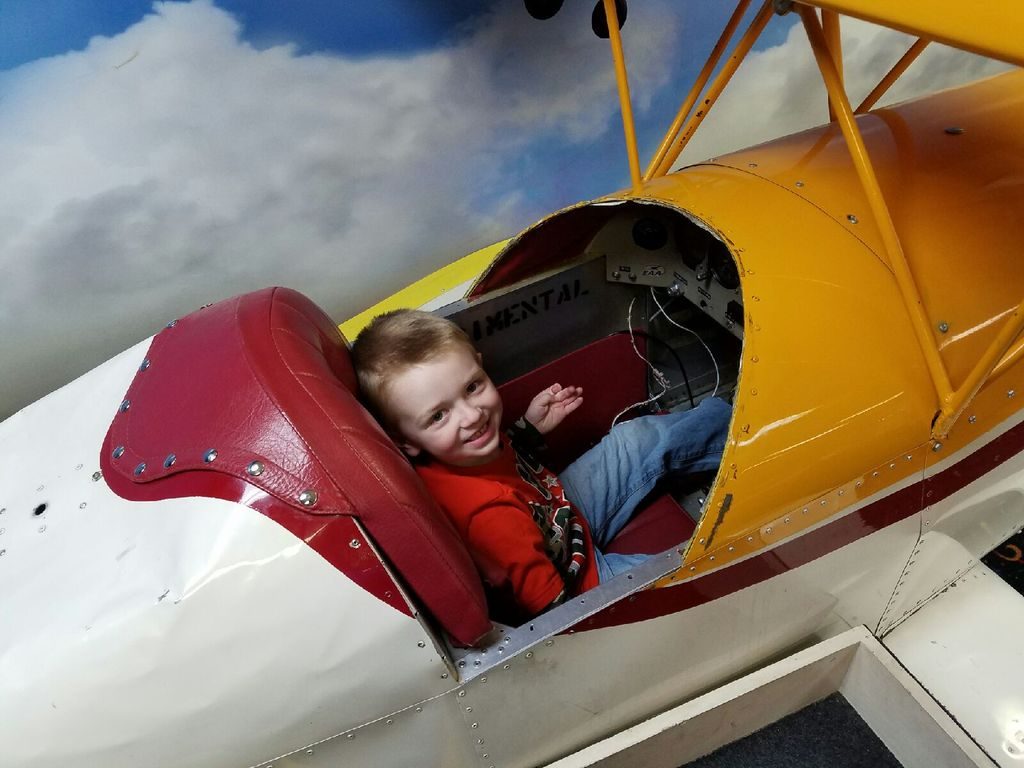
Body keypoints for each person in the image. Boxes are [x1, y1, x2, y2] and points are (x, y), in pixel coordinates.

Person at [351, 309, 730, 623]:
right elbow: (559, 613)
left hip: (560, 515)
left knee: (636, 441)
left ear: (481, 367)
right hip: (580, 583)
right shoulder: (488, 517)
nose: (472, 416)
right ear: (405, 443)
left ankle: (741, 424)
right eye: (437, 416)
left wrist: (527, 431)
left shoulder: (460, 447)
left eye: (472, 387)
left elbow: (500, 465)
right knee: (693, 574)